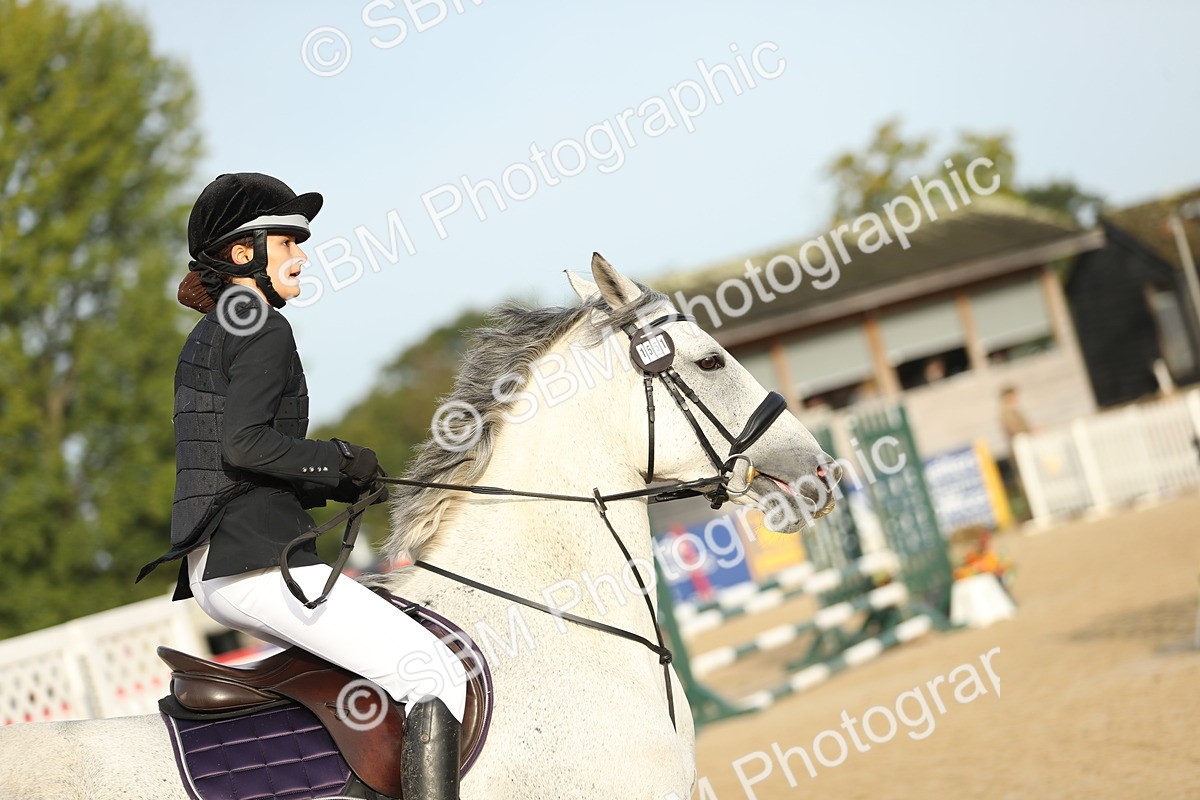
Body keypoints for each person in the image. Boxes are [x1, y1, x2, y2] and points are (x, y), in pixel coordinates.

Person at [137, 173, 463, 799]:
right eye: (286, 242)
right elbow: (246, 446)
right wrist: (338, 462)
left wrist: (333, 484)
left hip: (224, 564)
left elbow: (232, 464)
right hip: (254, 563)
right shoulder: (259, 323)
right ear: (242, 254)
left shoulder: (214, 329)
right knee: (435, 675)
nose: (302, 255)